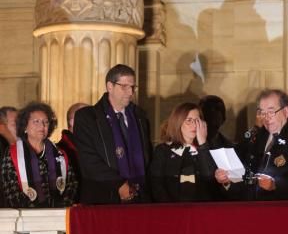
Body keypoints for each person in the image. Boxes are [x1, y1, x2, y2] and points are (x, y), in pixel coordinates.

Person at [221, 88, 288, 200]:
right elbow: (243, 175)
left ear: (286, 111)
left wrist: (276, 185)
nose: (266, 118)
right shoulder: (257, 137)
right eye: (262, 113)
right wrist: (227, 180)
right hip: (252, 210)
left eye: (271, 112)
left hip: (284, 211)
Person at [74, 64, 152, 204]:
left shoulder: (139, 116)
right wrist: (119, 184)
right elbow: (88, 160)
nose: (130, 92)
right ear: (110, 86)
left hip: (139, 197)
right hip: (104, 197)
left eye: (132, 87)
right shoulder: (88, 117)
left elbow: (147, 155)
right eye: (124, 86)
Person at [1, 101, 77, 208]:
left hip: (58, 215)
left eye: (46, 122)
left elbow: (71, 184)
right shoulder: (12, 153)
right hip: (26, 216)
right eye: (36, 121)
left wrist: (60, 207)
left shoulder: (60, 153)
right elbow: (10, 189)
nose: (42, 125)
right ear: (25, 126)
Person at [149, 102, 217, 202]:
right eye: (189, 121)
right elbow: (156, 186)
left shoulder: (205, 149)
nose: (194, 125)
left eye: (197, 120)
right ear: (178, 122)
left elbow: (209, 178)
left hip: (201, 211)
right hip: (171, 211)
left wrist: (202, 142)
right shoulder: (163, 150)